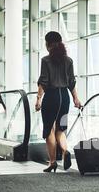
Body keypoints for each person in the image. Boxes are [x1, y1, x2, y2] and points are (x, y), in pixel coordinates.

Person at [35, 31, 82, 173]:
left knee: (49, 130)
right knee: (60, 130)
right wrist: (75, 98)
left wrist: (38, 100)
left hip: (51, 97)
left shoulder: (46, 60)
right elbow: (72, 82)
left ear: (48, 44)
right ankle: (65, 150)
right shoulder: (68, 61)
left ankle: (53, 162)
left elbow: (43, 82)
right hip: (65, 98)